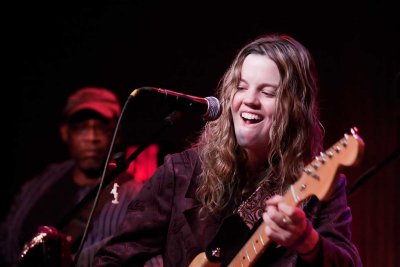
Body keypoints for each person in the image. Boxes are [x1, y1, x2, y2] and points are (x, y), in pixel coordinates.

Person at [92, 34, 362, 266]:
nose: (249, 100)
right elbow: (114, 258)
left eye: (267, 93)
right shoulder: (181, 172)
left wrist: (308, 242)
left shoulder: (317, 184)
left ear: (295, 109)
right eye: (242, 87)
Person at [0, 87, 163, 267]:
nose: (92, 137)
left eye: (101, 127)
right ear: (65, 133)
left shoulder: (135, 196)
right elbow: (8, 242)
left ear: (116, 134)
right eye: (81, 128)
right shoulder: (41, 183)